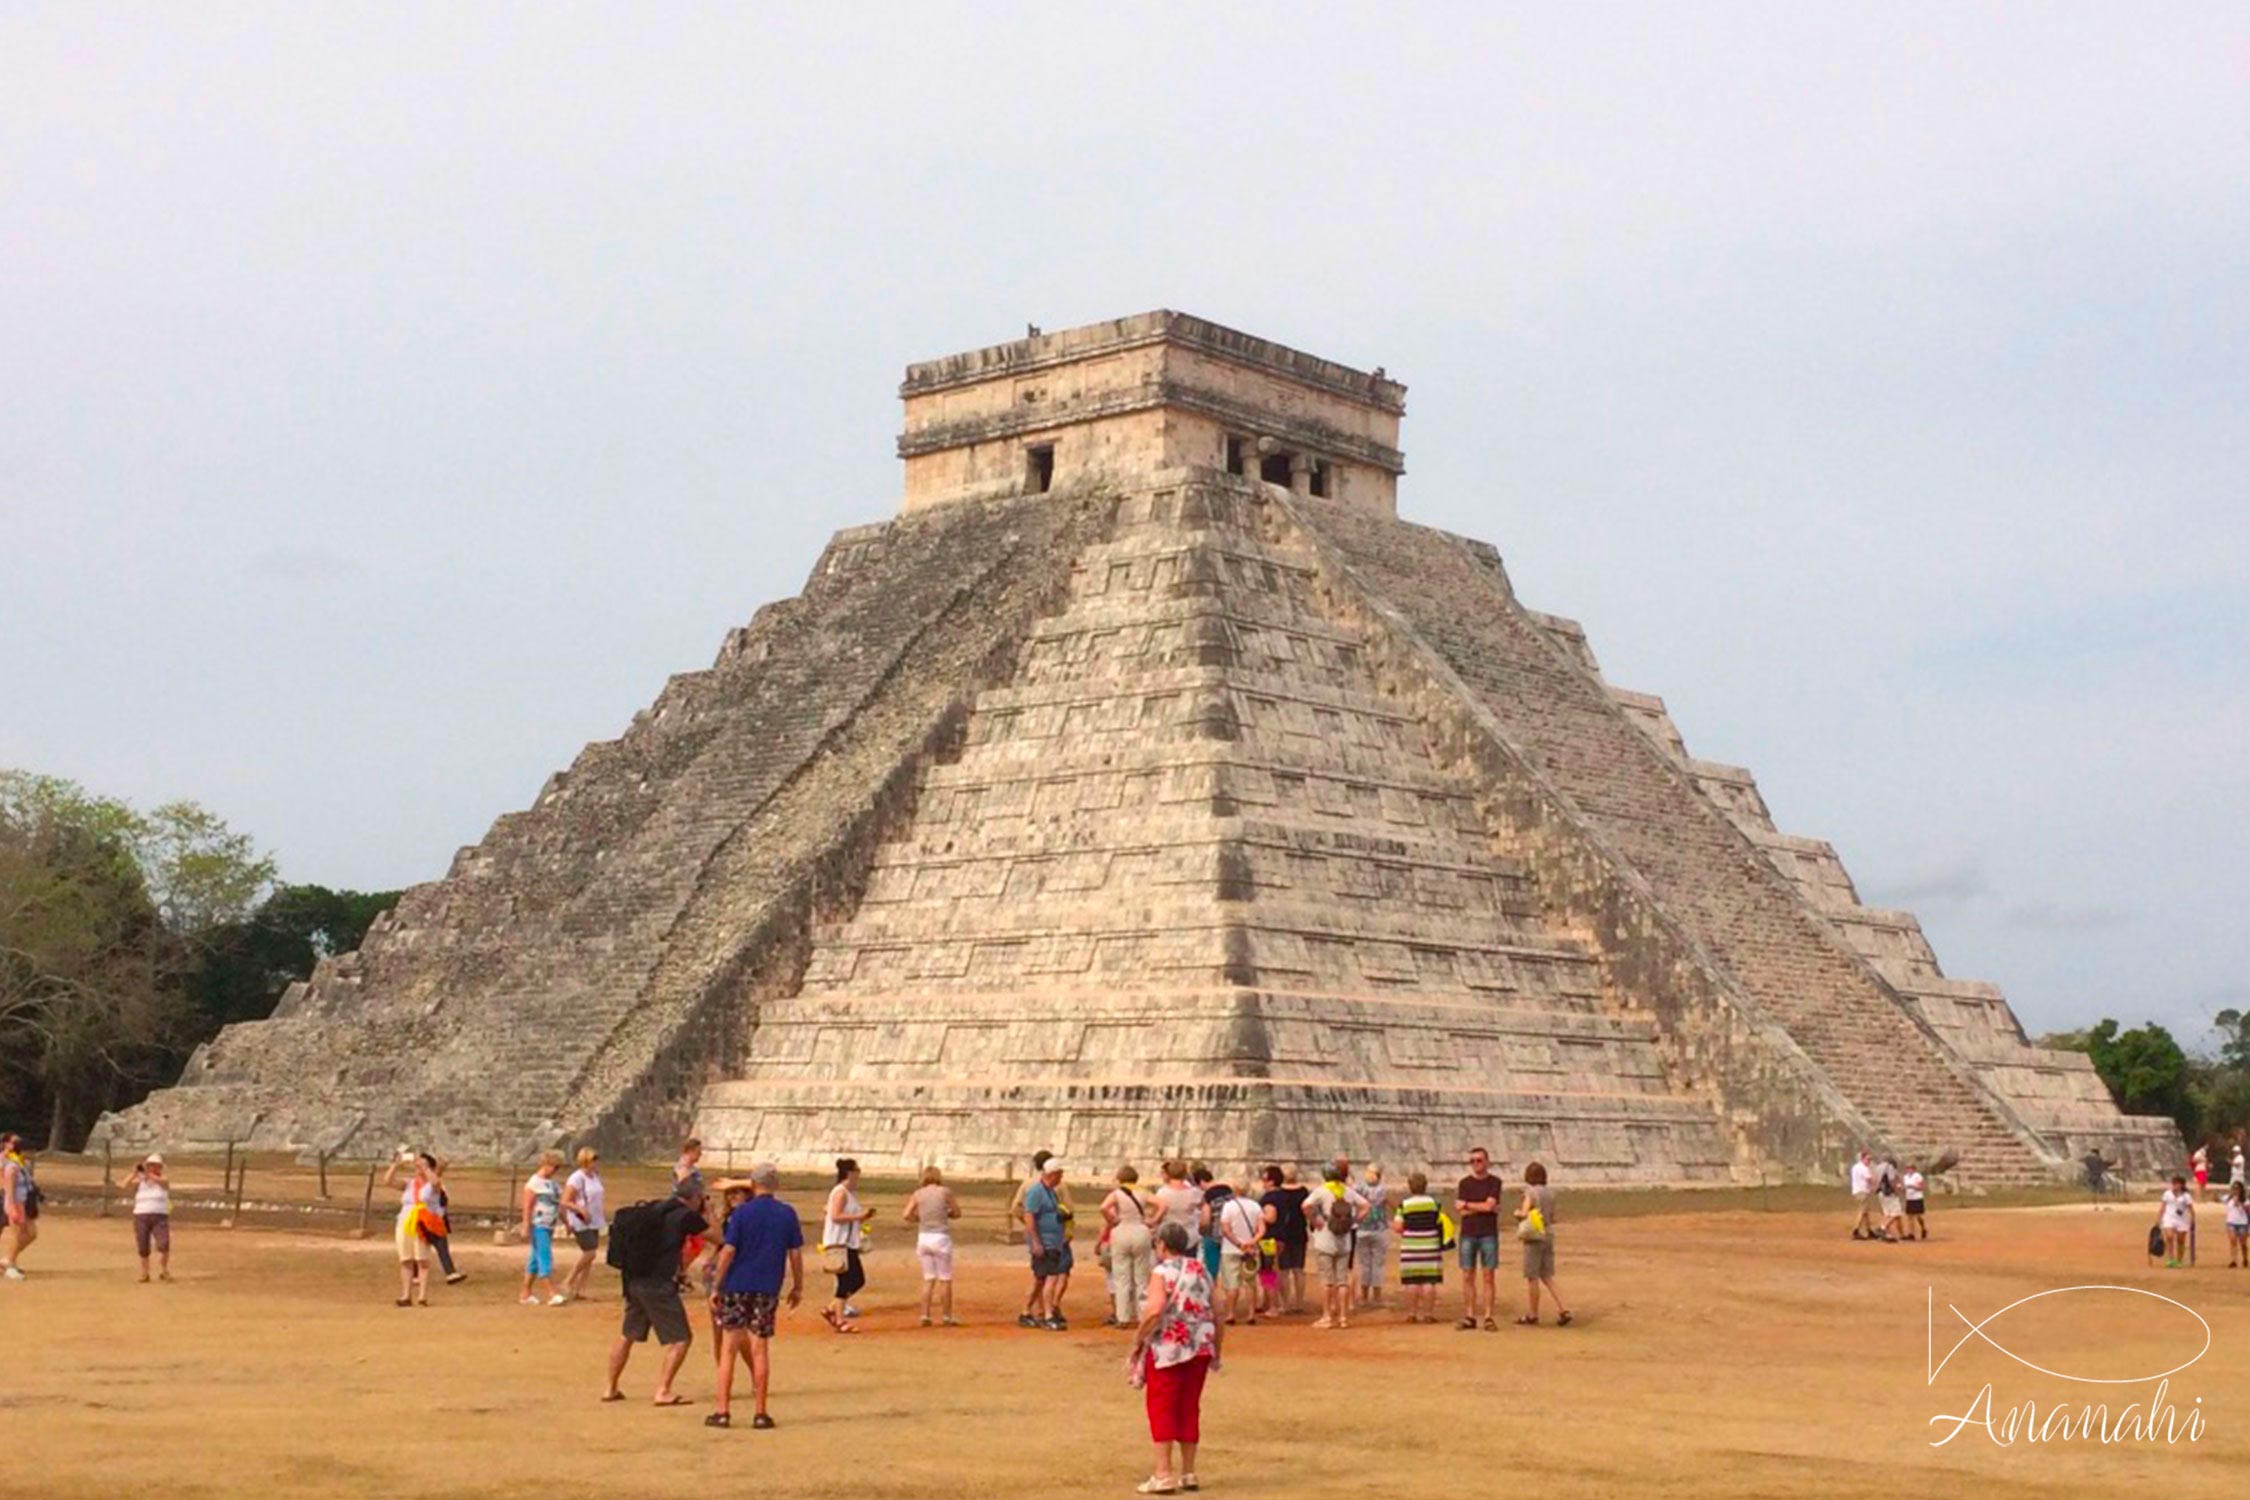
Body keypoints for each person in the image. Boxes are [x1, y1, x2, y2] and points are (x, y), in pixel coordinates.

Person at [709, 1163, 805, 1430]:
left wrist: (717, 1285)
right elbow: (795, 1253)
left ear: (753, 1184)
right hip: (767, 1286)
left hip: (737, 1284)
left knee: (729, 1347)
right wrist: (798, 1286)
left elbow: (728, 1251)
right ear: (776, 1185)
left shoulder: (742, 1213)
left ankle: (723, 1411)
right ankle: (760, 1412)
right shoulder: (786, 1214)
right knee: (759, 1348)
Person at [1133, 1221, 1221, 1495]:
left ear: (1161, 1244)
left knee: (1162, 1407)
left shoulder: (1161, 1271)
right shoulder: (1202, 1269)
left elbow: (1155, 1309)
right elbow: (1219, 1310)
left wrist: (1138, 1340)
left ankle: (1163, 1474)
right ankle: (1189, 1472)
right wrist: (1218, 1347)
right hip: (1200, 1345)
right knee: (1188, 1407)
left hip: (1169, 1347)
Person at [601, 1187, 707, 1406]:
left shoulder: (655, 1209)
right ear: (693, 1198)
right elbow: (717, 1237)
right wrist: (711, 1214)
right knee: (680, 1339)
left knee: (627, 1334)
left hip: (634, 1279)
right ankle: (663, 1391)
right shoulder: (685, 1215)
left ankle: (610, 1387)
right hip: (658, 1283)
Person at [1305, 1164, 1368, 1330]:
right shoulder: (1347, 1191)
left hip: (1325, 1237)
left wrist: (1315, 1220)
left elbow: (1305, 1206)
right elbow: (1365, 1206)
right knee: (1342, 1280)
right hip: (1344, 1238)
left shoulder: (1321, 1191)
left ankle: (1327, 1316)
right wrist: (1354, 1221)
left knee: (1327, 1280)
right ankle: (1343, 1316)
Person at [1512, 1161, 1571, 1326]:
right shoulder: (1550, 1194)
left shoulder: (1530, 1193)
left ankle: (1533, 1313)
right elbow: (1552, 1217)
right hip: (1548, 1233)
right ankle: (1563, 1308)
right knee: (1547, 1276)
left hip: (1534, 1236)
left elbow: (1524, 1213)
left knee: (1532, 1277)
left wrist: (1516, 1213)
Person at [902, 1164, 959, 1327]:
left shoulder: (918, 1194)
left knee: (928, 1278)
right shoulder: (945, 1192)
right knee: (945, 1278)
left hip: (924, 1236)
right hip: (940, 1236)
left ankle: (924, 1315)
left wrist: (920, 1219)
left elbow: (906, 1214)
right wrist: (945, 1214)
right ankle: (946, 1316)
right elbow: (957, 1212)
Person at [819, 1158, 872, 1334]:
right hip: (839, 1242)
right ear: (849, 1173)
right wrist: (858, 1217)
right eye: (857, 1171)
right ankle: (840, 1319)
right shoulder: (840, 1192)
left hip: (848, 1242)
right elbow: (835, 1215)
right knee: (848, 1280)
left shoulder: (848, 1193)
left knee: (856, 1279)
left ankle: (832, 1309)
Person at [1455, 1147, 1504, 1330]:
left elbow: (1486, 1206)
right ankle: (1470, 1315)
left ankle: (1488, 1316)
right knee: (1467, 1275)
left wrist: (1469, 1205)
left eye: (1479, 1160)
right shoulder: (1464, 1183)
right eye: (1473, 1161)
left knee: (1488, 1275)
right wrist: (1483, 1207)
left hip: (1488, 1234)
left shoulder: (1495, 1182)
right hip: (1468, 1234)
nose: (1476, 1164)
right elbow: (1463, 1212)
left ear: (1487, 1162)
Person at [1103, 1165, 1154, 1329]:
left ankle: (1122, 1317)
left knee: (1122, 1277)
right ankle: (1142, 1315)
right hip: (1140, 1229)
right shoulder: (1143, 1192)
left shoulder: (1117, 1193)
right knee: (1141, 1278)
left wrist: (1113, 1220)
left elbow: (1103, 1207)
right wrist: (1152, 1221)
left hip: (1122, 1230)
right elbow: (1162, 1205)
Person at [382, 1149, 436, 1307]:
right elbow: (388, 1181)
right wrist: (395, 1165)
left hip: (423, 1221)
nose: (417, 1167)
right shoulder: (409, 1183)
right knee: (406, 1259)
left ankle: (422, 1296)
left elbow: (436, 1183)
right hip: (405, 1222)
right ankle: (406, 1295)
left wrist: (425, 1169)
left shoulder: (431, 1184)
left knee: (422, 1260)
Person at [1022, 1158, 1070, 1329]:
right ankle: (1048, 1315)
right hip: (1045, 1242)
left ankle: (1026, 1311)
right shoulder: (1037, 1192)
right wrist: (1036, 1242)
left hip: (1052, 1242)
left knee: (1040, 1279)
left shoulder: (1050, 1192)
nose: (1061, 1178)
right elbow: (1029, 1215)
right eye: (1060, 1174)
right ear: (1053, 1174)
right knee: (1051, 1277)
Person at [1212, 1176, 1265, 1326]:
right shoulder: (1255, 1206)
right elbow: (1261, 1229)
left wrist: (1238, 1243)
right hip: (1251, 1249)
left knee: (1231, 1284)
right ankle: (1251, 1314)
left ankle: (1230, 1314)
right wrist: (1251, 1242)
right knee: (1250, 1282)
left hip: (1230, 1248)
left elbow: (1225, 1228)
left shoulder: (1229, 1206)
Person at [1012, 1148, 1057, 1325]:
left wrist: (1030, 1228)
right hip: (1047, 1238)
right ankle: (1046, 1311)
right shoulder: (1046, 1188)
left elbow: (1016, 1209)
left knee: (1041, 1275)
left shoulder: (1027, 1184)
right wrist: (1035, 1230)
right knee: (1050, 1275)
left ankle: (1039, 1310)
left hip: (1040, 1235)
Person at [1393, 1171, 1446, 1323]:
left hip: (1411, 1246)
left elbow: (1398, 1226)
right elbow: (1440, 1222)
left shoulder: (1404, 1205)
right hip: (1430, 1245)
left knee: (1412, 1282)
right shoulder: (1435, 1204)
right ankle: (1428, 1314)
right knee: (1429, 1281)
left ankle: (1412, 1314)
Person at [1258, 1164, 1308, 1314]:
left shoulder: (1271, 1198)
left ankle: (1274, 1304)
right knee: (1277, 1269)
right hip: (1283, 1236)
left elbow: (1271, 1217)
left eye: (1265, 1179)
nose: (1263, 1182)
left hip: (1269, 1238)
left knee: (1269, 1271)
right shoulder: (1283, 1196)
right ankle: (1271, 1302)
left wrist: (1257, 1216)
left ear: (1271, 1181)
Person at [561, 1146, 608, 1303]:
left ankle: (580, 1289)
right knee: (590, 1252)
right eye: (593, 1160)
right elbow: (565, 1201)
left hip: (594, 1219)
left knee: (591, 1255)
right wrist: (580, 1209)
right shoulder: (576, 1178)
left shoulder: (595, 1176)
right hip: (580, 1218)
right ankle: (568, 1280)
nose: (595, 1163)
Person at [521, 1149, 567, 1306]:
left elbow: (560, 1205)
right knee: (544, 1257)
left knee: (534, 1259)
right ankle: (551, 1292)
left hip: (549, 1224)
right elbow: (527, 1206)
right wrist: (526, 1225)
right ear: (546, 1164)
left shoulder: (553, 1185)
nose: (556, 1171)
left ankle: (525, 1293)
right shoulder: (533, 1184)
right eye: (554, 1167)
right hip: (538, 1224)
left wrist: (566, 1222)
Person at [420, 1156, 465, 1285]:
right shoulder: (420, 1184)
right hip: (427, 1219)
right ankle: (449, 1272)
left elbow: (440, 1197)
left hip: (434, 1218)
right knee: (436, 1247)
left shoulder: (434, 1185)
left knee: (440, 1247)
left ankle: (449, 1272)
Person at [127, 1153, 173, 1282]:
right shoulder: (141, 1182)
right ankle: (145, 1273)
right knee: (143, 1245)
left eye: (155, 1166)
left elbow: (161, 1181)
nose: (153, 1168)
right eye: (150, 1165)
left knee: (164, 1244)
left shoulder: (163, 1180)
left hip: (159, 1215)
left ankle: (164, 1270)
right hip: (141, 1214)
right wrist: (134, 1173)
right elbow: (124, 1185)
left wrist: (146, 1173)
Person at [1355, 1164, 1392, 1309]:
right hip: (1379, 1229)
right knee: (1377, 1264)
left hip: (1361, 1229)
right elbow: (1391, 1204)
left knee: (1364, 1264)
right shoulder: (1382, 1190)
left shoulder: (1358, 1189)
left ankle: (1364, 1296)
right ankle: (1377, 1297)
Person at [0, 1134, 36, 1281]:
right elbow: (8, 1184)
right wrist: (10, 1205)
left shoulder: (18, 1162)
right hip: (13, 1201)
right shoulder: (10, 1164)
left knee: (31, 1233)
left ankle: (8, 1259)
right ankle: (10, 1264)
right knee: (17, 1233)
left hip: (22, 1200)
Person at [2159, 1175, 2195, 1268]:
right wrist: (2159, 1218)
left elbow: (2191, 1209)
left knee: (2180, 1240)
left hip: (2182, 1219)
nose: (2175, 1186)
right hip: (2169, 1217)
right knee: (2169, 1237)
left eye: (2177, 1184)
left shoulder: (2186, 1196)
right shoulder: (2167, 1194)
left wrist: (2193, 1220)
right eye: (2174, 1183)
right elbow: (2162, 1206)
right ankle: (2170, 1258)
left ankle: (2179, 1260)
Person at [1875, 1157, 1907, 1244]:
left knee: (1887, 1214)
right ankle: (1882, 1228)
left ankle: (1887, 1235)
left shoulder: (1878, 1167)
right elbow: (1891, 1180)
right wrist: (1896, 1190)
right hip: (1888, 1193)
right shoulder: (1889, 1167)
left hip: (1881, 1192)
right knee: (1896, 1213)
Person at [1849, 1150, 1878, 1239]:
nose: (1869, 1161)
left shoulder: (1855, 1167)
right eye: (1867, 1159)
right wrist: (1875, 1183)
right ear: (1862, 1158)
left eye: (1870, 1159)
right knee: (1862, 1211)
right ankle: (1856, 1230)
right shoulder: (1863, 1168)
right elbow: (1870, 1179)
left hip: (1858, 1191)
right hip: (1862, 1191)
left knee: (1865, 1212)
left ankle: (1869, 1230)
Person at [2224, 1182, 2248, 1269]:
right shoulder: (2228, 1199)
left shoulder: (2245, 1200)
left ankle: (2245, 1257)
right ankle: (2233, 1260)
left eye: (2237, 1188)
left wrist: (2240, 1203)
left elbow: (2247, 1210)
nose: (2235, 1190)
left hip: (2242, 1223)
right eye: (2234, 1188)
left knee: (2243, 1243)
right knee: (2233, 1241)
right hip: (2231, 1222)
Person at [1902, 1162, 1929, 1241]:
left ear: (1914, 1169)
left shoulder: (1917, 1176)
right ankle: (1911, 1233)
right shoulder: (1905, 1177)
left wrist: (1912, 1186)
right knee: (1909, 1216)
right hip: (1909, 1198)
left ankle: (1923, 1228)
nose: (1909, 1170)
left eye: (1910, 1168)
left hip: (1917, 1198)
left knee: (1918, 1216)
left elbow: (1921, 1187)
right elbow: (1905, 1188)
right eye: (1907, 1168)